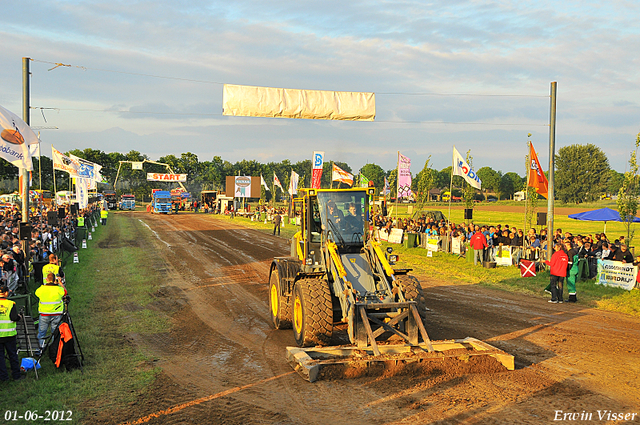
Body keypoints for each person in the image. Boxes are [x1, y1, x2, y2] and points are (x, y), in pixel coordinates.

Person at [35, 272, 67, 349]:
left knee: (42, 332)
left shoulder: (41, 289)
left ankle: (39, 349)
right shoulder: (59, 289)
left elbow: (36, 293)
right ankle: (55, 348)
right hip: (56, 314)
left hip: (44, 314)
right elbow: (65, 292)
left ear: (46, 279)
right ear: (54, 280)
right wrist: (60, 283)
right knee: (55, 333)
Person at [0, 285, 23, 381]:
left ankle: (3, 377)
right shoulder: (11, 303)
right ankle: (16, 376)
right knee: (12, 355)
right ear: (6, 293)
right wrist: (19, 317)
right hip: (9, 335)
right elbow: (14, 318)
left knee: (0, 357)